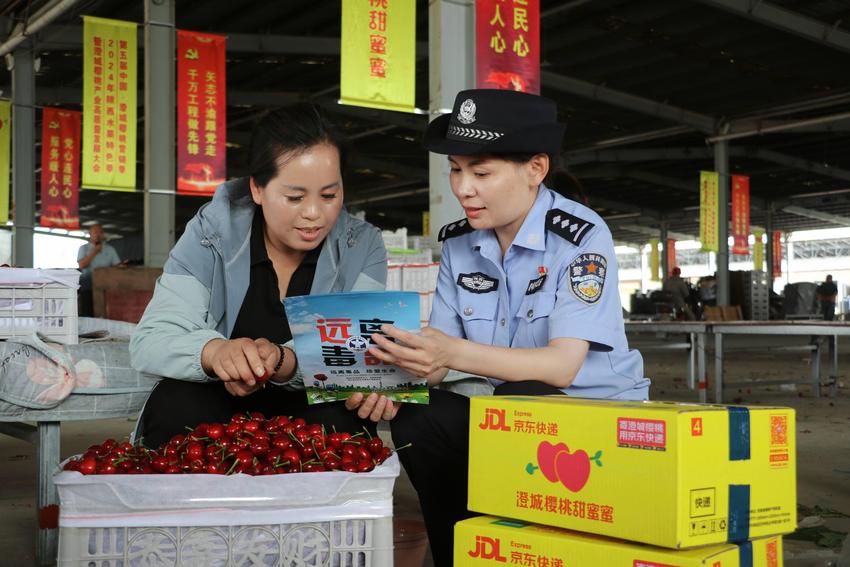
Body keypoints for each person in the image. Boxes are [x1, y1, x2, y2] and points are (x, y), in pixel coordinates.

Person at [345, 89, 650, 566]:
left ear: (535, 169)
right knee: (415, 417)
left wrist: (450, 354)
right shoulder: (461, 245)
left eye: (482, 172)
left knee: (522, 394)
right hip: (507, 417)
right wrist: (391, 381)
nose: (463, 188)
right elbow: (437, 362)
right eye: (457, 170)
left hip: (594, 420)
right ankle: (460, 554)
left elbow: (562, 368)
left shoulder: (581, 235)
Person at [129, 104, 388, 449]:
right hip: (217, 396)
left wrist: (287, 360)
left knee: (343, 419)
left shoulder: (362, 245)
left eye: (329, 195)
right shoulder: (210, 235)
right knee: (176, 406)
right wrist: (214, 352)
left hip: (308, 404)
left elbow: (360, 353)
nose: (313, 213)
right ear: (257, 190)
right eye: (294, 197)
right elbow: (152, 340)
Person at [76, 223, 123, 316]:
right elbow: (82, 265)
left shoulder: (110, 249)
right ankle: (87, 317)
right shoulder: (84, 248)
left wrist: (122, 266)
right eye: (95, 232)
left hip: (106, 281)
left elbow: (117, 266)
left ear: (103, 235)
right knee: (85, 285)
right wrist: (94, 252)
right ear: (90, 234)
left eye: (100, 232)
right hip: (88, 281)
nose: (98, 235)